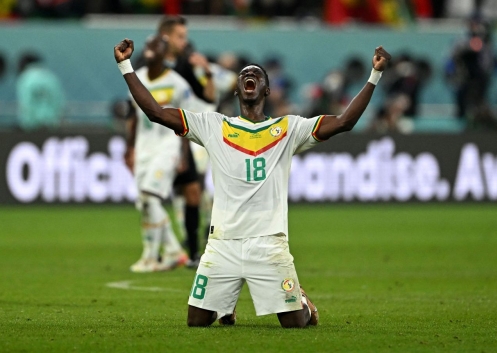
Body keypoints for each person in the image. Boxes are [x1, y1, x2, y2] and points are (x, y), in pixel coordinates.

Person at [114, 37, 391, 327]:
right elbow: (156, 113)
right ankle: (226, 305)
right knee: (197, 322)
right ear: (237, 89)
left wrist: (375, 75)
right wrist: (125, 66)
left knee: (296, 324)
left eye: (257, 74)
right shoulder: (213, 125)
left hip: (268, 243)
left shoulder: (288, 128)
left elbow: (345, 121)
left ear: (266, 90)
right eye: (244, 74)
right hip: (223, 243)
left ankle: (303, 303)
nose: (249, 75)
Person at [124, 34, 214, 273]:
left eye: (158, 46)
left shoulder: (177, 83)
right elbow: (133, 117)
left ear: (165, 54)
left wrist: (185, 154)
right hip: (144, 148)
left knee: (150, 196)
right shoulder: (138, 79)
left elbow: (187, 120)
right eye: (150, 44)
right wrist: (129, 148)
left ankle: (151, 256)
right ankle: (173, 250)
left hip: (168, 148)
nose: (152, 48)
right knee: (144, 202)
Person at [157, 15, 217, 267]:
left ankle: (192, 253)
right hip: (155, 140)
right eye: (180, 36)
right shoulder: (149, 63)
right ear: (166, 36)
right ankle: (161, 249)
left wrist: (206, 71)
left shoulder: (183, 65)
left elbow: (207, 96)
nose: (184, 41)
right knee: (155, 197)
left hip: (179, 139)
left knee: (193, 193)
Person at [16, 52, 65, 130]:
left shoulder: (25, 78)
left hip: (31, 125)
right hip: (52, 124)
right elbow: (59, 100)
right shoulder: (51, 76)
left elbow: (26, 102)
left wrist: (27, 123)